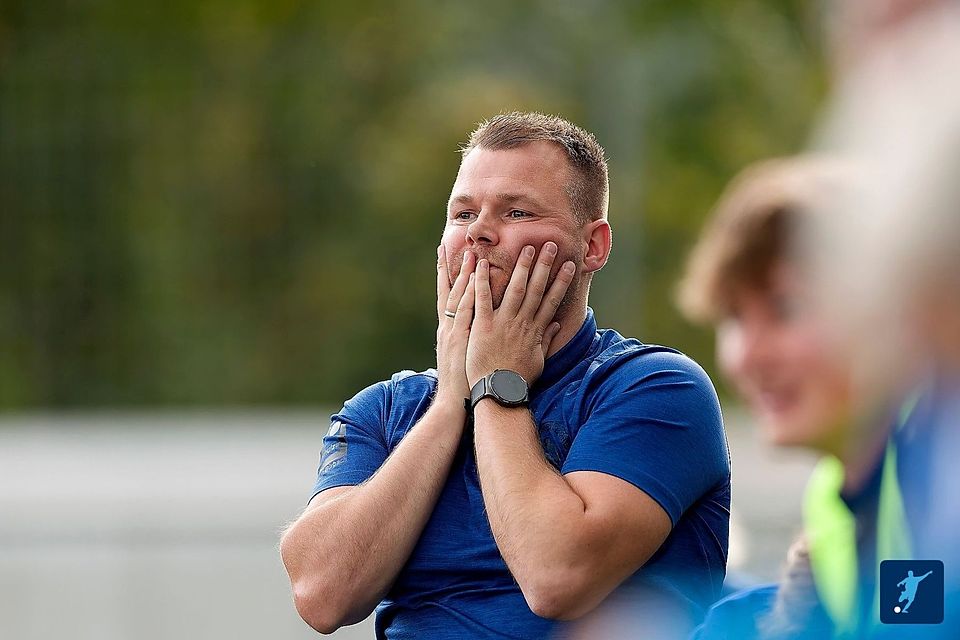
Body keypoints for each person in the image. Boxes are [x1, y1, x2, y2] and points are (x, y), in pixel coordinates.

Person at [280, 112, 730, 639]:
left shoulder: (655, 388)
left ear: (593, 247)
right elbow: (321, 596)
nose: (480, 234)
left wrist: (496, 385)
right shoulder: (385, 410)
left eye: (516, 211)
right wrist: (451, 401)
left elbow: (557, 577)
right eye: (462, 213)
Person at [678, 155, 925, 640]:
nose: (748, 355)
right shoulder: (837, 495)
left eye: (785, 308)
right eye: (733, 317)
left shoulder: (938, 472)